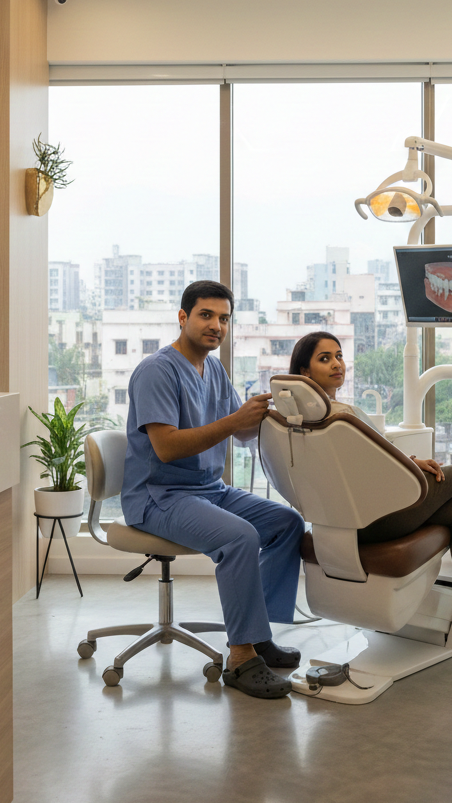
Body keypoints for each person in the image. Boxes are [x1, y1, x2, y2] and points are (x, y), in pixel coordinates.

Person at [288, 331, 452, 632]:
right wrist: (410, 467)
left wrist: (410, 462)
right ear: (305, 372)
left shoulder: (299, 421)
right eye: (325, 359)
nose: (337, 364)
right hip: (371, 523)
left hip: (336, 522)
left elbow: (367, 463)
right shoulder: (342, 417)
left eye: (339, 356)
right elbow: (376, 465)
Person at [121, 281, 306, 699]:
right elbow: (166, 448)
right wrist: (233, 420)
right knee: (240, 537)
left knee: (286, 522)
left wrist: (277, 416)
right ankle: (240, 659)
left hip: (208, 489)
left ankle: (258, 634)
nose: (216, 326)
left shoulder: (215, 369)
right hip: (159, 497)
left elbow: (239, 435)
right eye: (206, 315)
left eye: (224, 318)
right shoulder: (157, 370)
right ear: (183, 317)